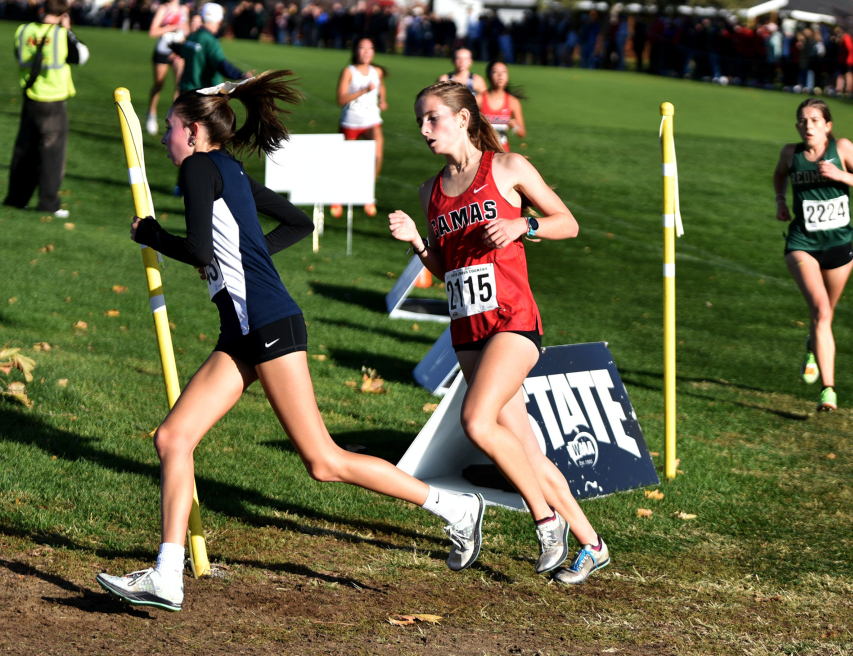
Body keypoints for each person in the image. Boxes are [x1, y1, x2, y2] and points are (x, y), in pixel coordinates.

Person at [96, 71, 487, 612]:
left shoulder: (199, 169)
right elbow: (298, 223)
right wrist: (251, 260)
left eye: (169, 127)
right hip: (242, 329)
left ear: (191, 131)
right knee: (173, 439)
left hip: (268, 323)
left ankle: (454, 507)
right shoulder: (227, 167)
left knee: (323, 460)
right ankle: (167, 574)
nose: (165, 137)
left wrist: (152, 235)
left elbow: (204, 252)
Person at [388, 81, 611, 585]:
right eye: (420, 120)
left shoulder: (507, 167)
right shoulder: (430, 191)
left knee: (476, 420)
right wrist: (418, 244)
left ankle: (546, 522)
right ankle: (592, 544)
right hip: (467, 328)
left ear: (463, 119)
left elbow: (567, 223)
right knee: (527, 452)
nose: (423, 129)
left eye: (432, 118)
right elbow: (446, 269)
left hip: (513, 321)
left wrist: (523, 227)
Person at [773, 98, 853, 412]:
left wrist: (841, 175)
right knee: (820, 310)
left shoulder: (842, 149)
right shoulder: (790, 154)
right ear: (797, 126)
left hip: (839, 245)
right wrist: (780, 200)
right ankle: (828, 391)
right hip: (802, 244)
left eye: (815, 120)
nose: (809, 126)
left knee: (825, 316)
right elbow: (779, 174)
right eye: (803, 121)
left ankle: (812, 347)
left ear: (828, 126)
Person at [3, 0, 88, 219]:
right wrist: (68, 31)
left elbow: (18, 54)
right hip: (53, 99)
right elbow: (81, 56)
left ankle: (16, 199)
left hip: (31, 96)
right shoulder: (61, 34)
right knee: (52, 155)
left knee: (24, 151)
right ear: (64, 13)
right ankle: (49, 203)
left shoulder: (25, 30)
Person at [336, 36, 386, 216]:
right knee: (346, 160)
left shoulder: (377, 71)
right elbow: (341, 99)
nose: (366, 52)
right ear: (356, 51)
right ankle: (339, 196)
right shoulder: (349, 71)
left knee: (377, 156)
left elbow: (380, 87)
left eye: (370, 48)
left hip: (372, 120)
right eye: (362, 48)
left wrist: (383, 100)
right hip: (351, 121)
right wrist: (363, 90)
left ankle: (367, 195)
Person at [178, 3, 252, 95]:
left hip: (185, 91)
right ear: (219, 20)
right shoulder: (210, 41)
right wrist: (242, 76)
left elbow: (180, 51)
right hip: (203, 94)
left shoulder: (192, 37)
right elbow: (221, 65)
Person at [145, 0, 189, 136]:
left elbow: (186, 30)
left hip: (179, 51)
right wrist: (172, 27)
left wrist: (185, 33)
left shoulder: (184, 9)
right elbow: (152, 32)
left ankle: (175, 120)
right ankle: (151, 113)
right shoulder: (163, 9)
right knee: (159, 84)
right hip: (163, 50)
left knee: (179, 85)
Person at [477, 61, 525, 153]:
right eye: (495, 72)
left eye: (504, 72)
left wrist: (515, 126)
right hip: (481, 153)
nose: (500, 75)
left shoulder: (513, 101)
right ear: (488, 76)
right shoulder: (479, 100)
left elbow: (522, 133)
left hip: (502, 153)